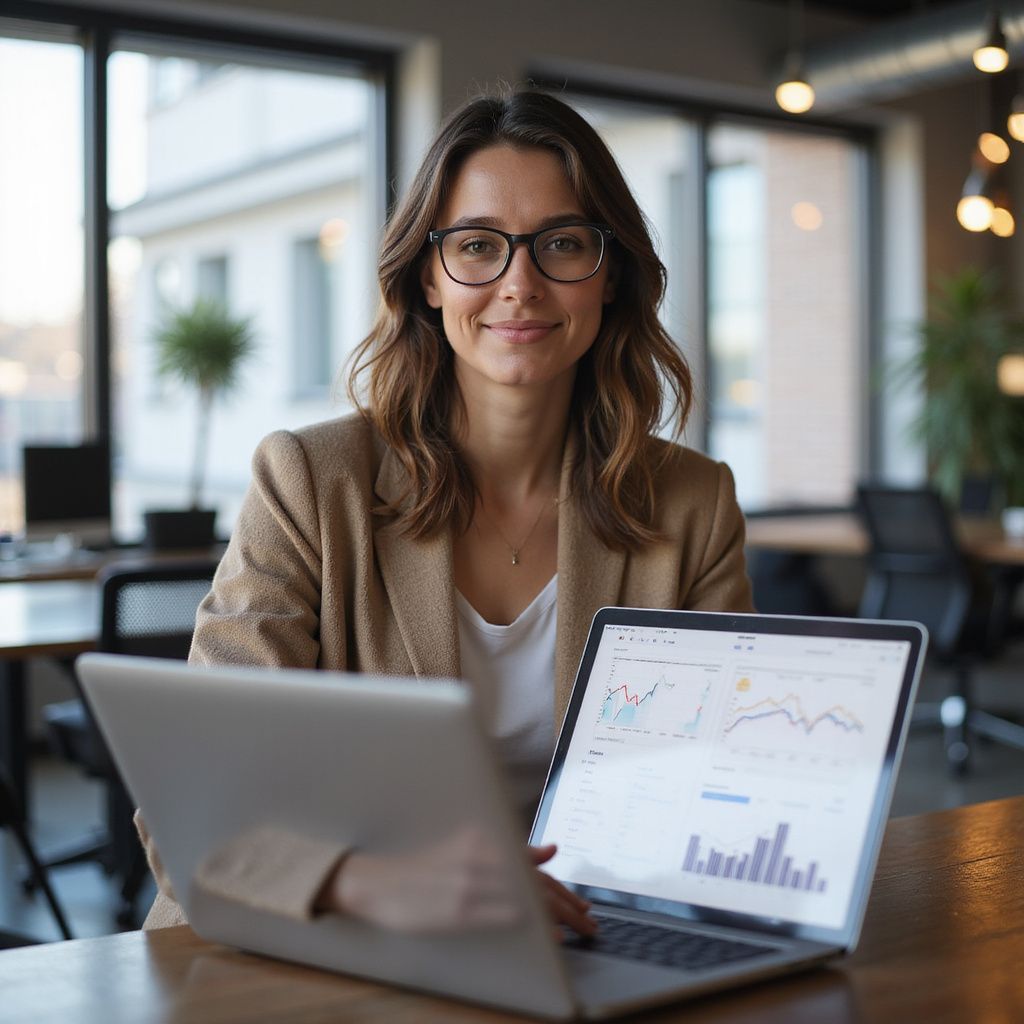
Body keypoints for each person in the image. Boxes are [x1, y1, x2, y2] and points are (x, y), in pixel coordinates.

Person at [138, 88, 754, 936]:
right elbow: (191, 802)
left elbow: (723, 783)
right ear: (427, 276)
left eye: (563, 244)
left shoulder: (692, 502)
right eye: (477, 246)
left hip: (586, 938)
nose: (520, 284)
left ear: (609, 274)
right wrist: (373, 886)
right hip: (320, 940)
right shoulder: (312, 482)